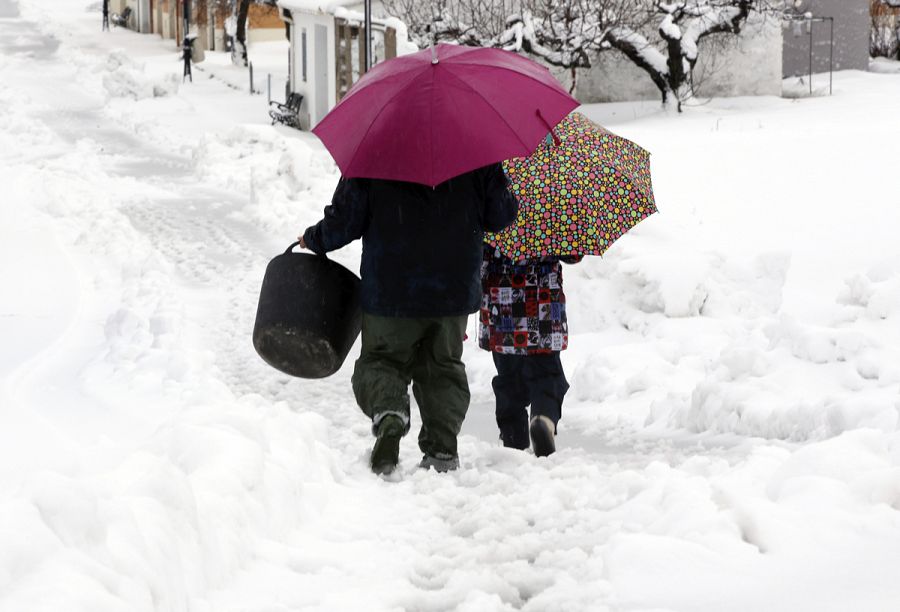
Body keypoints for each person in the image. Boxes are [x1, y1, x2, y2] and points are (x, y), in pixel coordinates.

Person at [299, 164, 518, 475]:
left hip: (391, 288)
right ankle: (441, 449)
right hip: (452, 289)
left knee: (381, 361)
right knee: (442, 367)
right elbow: (501, 215)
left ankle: (390, 413)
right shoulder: (475, 152)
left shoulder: (374, 151)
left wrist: (313, 239)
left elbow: (345, 221)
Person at [478, 244, 581, 457]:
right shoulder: (552, 211)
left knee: (508, 378)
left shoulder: (496, 211)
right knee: (548, 373)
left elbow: (479, 260)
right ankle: (543, 418)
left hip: (503, 301)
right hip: (543, 299)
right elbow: (573, 255)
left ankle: (513, 437)